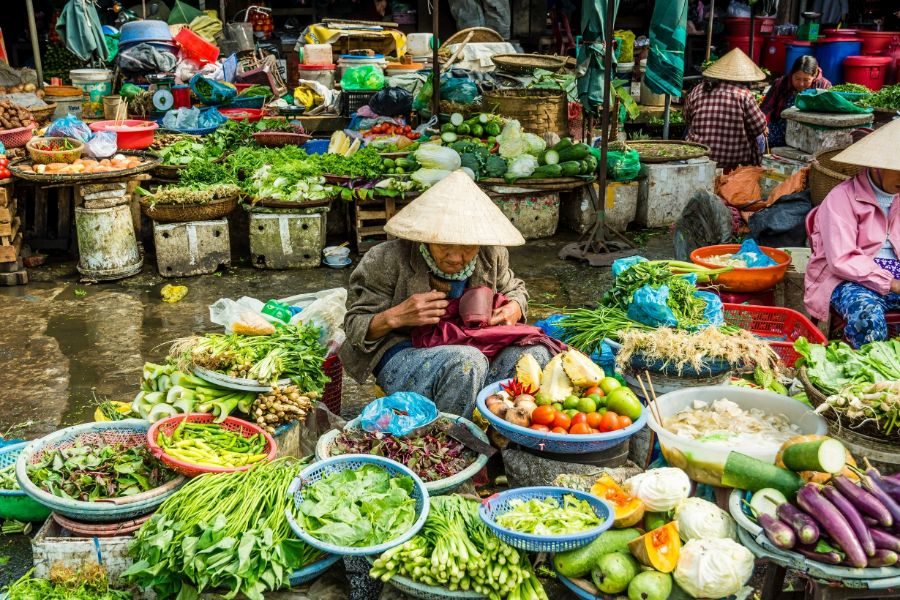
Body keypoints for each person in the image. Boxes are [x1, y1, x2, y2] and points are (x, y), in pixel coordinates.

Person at [341, 171, 554, 417]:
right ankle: (450, 441)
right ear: (427, 237)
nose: (455, 258)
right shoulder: (386, 259)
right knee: (466, 363)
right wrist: (395, 317)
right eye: (444, 246)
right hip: (406, 352)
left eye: (466, 248)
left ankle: (499, 430)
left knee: (537, 354)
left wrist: (514, 307)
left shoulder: (491, 254)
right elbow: (354, 325)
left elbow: (515, 288)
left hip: (475, 347)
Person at [804, 119, 900, 347]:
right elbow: (842, 259)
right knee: (867, 316)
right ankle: (872, 375)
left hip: (896, 276)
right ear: (877, 165)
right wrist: (892, 283)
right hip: (847, 279)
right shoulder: (841, 199)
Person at [683, 48, 768, 172]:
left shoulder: (698, 89)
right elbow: (759, 127)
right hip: (733, 162)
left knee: (689, 129)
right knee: (761, 136)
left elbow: (687, 117)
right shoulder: (744, 95)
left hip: (699, 156)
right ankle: (754, 169)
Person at [761, 55, 832, 148]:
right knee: (760, 138)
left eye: (806, 80)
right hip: (781, 131)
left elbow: (828, 115)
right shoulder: (781, 83)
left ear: (814, 76)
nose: (801, 84)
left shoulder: (824, 86)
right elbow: (767, 107)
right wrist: (762, 124)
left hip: (810, 134)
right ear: (792, 74)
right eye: (797, 79)